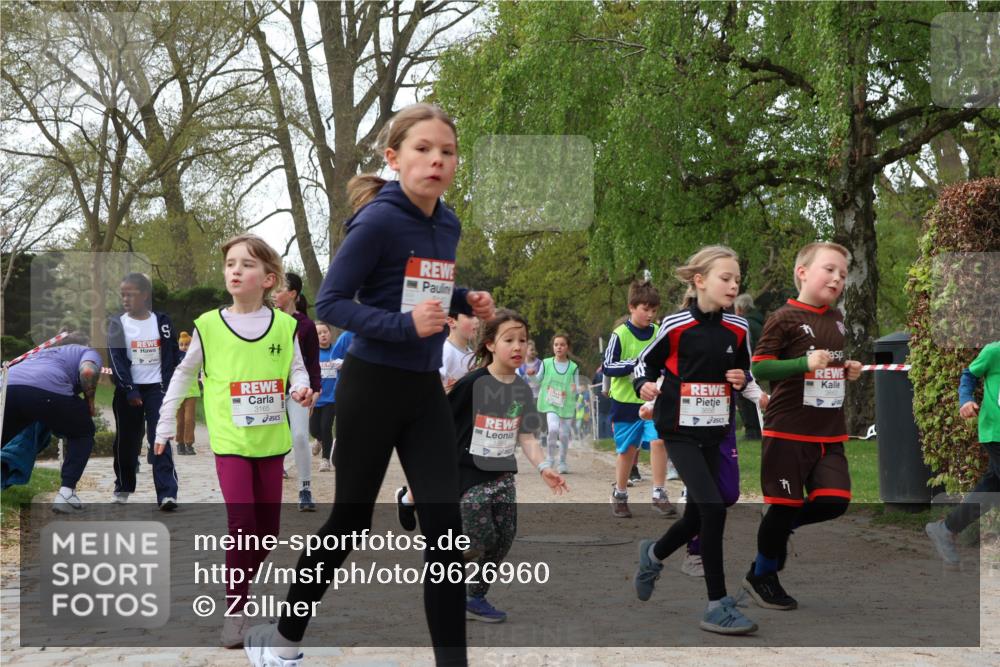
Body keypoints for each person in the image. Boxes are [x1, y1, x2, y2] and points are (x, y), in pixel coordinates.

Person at [243, 103, 494, 667]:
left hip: (423, 393)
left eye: (447, 152)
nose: (436, 160)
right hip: (371, 388)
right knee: (349, 522)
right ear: (394, 157)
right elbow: (333, 302)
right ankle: (284, 638)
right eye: (423, 149)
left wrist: (462, 299)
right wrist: (406, 327)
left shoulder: (447, 223)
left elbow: (410, 285)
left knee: (446, 531)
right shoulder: (378, 220)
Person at [154, 233, 313, 648]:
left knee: (267, 533)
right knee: (242, 525)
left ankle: (237, 577)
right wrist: (165, 422)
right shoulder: (208, 325)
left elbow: (297, 370)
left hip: (270, 442)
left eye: (246, 264)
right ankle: (236, 609)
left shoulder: (285, 324)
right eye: (230, 264)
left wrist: (300, 388)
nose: (235, 270)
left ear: (268, 278)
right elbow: (185, 374)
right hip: (229, 441)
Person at [631, 245, 757, 635]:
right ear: (699, 281)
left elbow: (743, 372)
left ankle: (653, 554)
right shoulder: (674, 325)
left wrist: (740, 379)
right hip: (678, 430)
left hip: (716, 430)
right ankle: (717, 605)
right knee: (714, 509)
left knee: (696, 516)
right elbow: (645, 363)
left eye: (737, 279)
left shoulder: (739, 328)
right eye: (725, 277)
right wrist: (644, 386)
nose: (733, 285)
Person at [743, 241, 862, 611]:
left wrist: (845, 369)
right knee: (784, 505)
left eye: (842, 274)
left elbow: (825, 365)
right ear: (803, 273)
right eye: (829, 269)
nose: (837, 278)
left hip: (829, 431)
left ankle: (778, 529)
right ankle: (761, 573)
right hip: (788, 430)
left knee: (834, 502)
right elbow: (760, 367)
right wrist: (803, 365)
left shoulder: (837, 320)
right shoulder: (783, 317)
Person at [451, 310, 568, 623]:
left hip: (502, 476)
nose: (518, 346)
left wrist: (544, 466)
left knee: (504, 537)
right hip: (467, 475)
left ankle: (474, 597)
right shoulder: (472, 383)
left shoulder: (520, 388)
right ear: (490, 344)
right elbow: (442, 425)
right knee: (480, 537)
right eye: (509, 340)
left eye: (523, 340)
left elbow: (526, 435)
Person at [397, 308, 480, 529]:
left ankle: (412, 500)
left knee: (451, 474)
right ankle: (407, 500)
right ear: (451, 321)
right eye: (470, 317)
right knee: (436, 475)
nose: (476, 322)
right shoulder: (444, 351)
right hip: (439, 421)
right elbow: (426, 387)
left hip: (462, 423)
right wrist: (449, 389)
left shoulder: (472, 354)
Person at [106, 272, 181, 510]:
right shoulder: (117, 324)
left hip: (157, 389)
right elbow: (116, 359)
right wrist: (129, 389)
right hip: (129, 392)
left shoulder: (162, 321)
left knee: (160, 438)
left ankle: (167, 494)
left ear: (145, 295)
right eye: (122, 295)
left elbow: (171, 353)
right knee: (127, 443)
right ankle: (123, 486)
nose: (125, 299)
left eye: (130, 294)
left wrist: (172, 382)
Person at [2, 336, 101, 512]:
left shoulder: (38, 353)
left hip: (9, 388)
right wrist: (90, 402)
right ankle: (66, 494)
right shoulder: (86, 351)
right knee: (83, 433)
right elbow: (88, 372)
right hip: (48, 390)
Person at [926, 341, 1000, 566]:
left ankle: (946, 529)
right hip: (995, 432)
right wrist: (966, 399)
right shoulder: (994, 351)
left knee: (990, 489)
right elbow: (969, 375)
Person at [603, 280, 673, 518]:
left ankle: (659, 493)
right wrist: (636, 364)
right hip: (625, 402)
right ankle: (620, 493)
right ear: (632, 307)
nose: (651, 315)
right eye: (645, 309)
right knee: (628, 450)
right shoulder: (620, 334)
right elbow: (608, 366)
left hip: (654, 400)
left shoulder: (659, 332)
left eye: (654, 310)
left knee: (659, 441)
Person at [274, 272, 322, 512]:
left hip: (299, 392)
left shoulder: (305, 325)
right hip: (270, 392)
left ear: (292, 293)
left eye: (279, 289)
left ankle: (305, 488)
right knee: (276, 442)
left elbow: (313, 360)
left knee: (301, 437)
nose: (274, 293)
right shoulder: (267, 320)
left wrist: (316, 389)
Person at [535, 333, 579, 474]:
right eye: (556, 344)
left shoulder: (573, 367)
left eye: (562, 345)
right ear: (553, 347)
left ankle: (562, 461)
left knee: (564, 434)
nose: (559, 347)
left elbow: (577, 387)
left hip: (566, 404)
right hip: (551, 403)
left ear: (568, 347)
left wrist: (574, 389)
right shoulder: (546, 363)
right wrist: (531, 375)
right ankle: (549, 458)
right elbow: (537, 380)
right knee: (553, 429)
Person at [309, 322, 344, 472]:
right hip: (316, 398)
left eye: (325, 332)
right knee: (314, 429)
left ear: (330, 334)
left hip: (332, 397)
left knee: (326, 427)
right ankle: (319, 440)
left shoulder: (337, 351)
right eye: (319, 333)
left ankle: (325, 460)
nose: (323, 335)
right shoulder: (312, 354)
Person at [734, 293, 764, 440]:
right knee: (755, 396)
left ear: (739, 308)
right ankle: (758, 428)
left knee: (745, 397)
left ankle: (752, 431)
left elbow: (747, 347)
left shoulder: (745, 323)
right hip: (760, 363)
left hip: (750, 364)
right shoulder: (759, 321)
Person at [174, 331, 201, 456]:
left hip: (192, 392)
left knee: (189, 419)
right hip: (178, 393)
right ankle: (180, 443)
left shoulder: (196, 356)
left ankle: (189, 443)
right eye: (181, 344)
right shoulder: (175, 357)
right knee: (180, 420)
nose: (184, 347)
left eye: (187, 344)